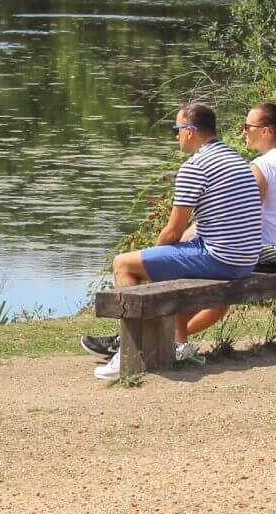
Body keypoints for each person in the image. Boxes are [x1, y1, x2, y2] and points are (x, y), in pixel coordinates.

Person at [88, 102, 262, 379]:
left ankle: (129, 354)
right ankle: (179, 344)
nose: (176, 137)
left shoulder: (195, 167)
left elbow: (172, 230)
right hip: (246, 259)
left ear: (191, 131)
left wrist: (149, 260)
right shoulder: (236, 159)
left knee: (124, 264)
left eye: (177, 130)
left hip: (222, 259)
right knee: (169, 261)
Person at [165, 102, 276, 350]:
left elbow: (236, 218)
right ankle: (165, 338)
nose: (242, 132)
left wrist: (185, 236)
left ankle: (164, 338)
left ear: (265, 131)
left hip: (264, 255)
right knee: (206, 272)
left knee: (185, 263)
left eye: (247, 126)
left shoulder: (263, 167)